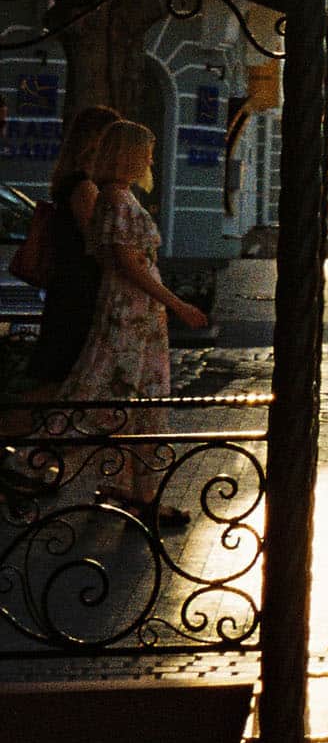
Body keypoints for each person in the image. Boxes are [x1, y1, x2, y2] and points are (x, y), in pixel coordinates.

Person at [59, 120, 208, 517]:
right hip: (131, 308)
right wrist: (177, 303)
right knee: (118, 388)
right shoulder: (117, 198)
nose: (150, 159)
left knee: (132, 393)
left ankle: (128, 486)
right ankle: (34, 460)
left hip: (134, 307)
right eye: (145, 151)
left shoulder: (117, 195)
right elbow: (127, 263)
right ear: (128, 154)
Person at [25, 100, 119, 392]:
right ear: (97, 141)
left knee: (59, 375)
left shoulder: (74, 182)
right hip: (77, 291)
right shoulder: (83, 187)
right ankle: (32, 434)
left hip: (69, 286)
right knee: (63, 376)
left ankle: (41, 432)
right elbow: (96, 239)